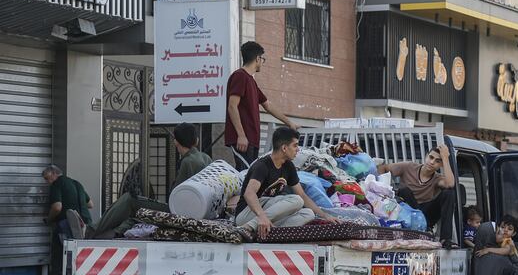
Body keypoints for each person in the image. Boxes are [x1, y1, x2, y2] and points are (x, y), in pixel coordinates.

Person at [85, 123, 211, 239]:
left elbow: (176, 198)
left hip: (179, 214)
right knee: (140, 212)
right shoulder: (206, 158)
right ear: (196, 141)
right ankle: (115, 232)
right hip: (197, 212)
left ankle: (90, 230)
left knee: (129, 200)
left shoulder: (188, 162)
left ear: (176, 141)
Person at [235, 127, 336, 239]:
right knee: (296, 200)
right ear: (284, 148)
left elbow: (302, 195)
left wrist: (324, 215)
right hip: (246, 214)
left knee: (308, 213)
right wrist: (261, 217)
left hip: (267, 214)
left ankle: (270, 233)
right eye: (295, 145)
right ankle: (249, 227)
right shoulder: (262, 166)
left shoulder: (288, 166)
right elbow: (249, 193)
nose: (297, 149)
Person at [226, 42, 298, 171]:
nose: (262, 62)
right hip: (243, 139)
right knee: (245, 176)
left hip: (252, 140)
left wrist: (289, 123)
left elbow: (268, 105)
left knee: (250, 175)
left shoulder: (251, 81)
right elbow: (232, 106)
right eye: (262, 59)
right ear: (258, 58)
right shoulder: (240, 76)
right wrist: (241, 135)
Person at [378, 145, 457, 247]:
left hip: (426, 215)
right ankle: (421, 228)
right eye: (431, 157)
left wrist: (445, 158)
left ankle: (445, 239)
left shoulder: (438, 179)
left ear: (441, 165)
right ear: (426, 156)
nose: (432, 162)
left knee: (449, 193)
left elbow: (450, 184)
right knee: (404, 191)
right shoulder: (409, 167)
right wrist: (386, 189)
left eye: (438, 161)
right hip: (407, 212)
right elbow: (382, 168)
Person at [42, 165, 93, 275]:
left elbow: (57, 207)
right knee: (77, 262)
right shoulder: (77, 183)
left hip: (65, 227)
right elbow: (90, 204)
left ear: (54, 174)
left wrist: (49, 219)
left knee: (58, 262)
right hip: (84, 228)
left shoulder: (57, 184)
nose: (47, 182)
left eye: (47, 178)